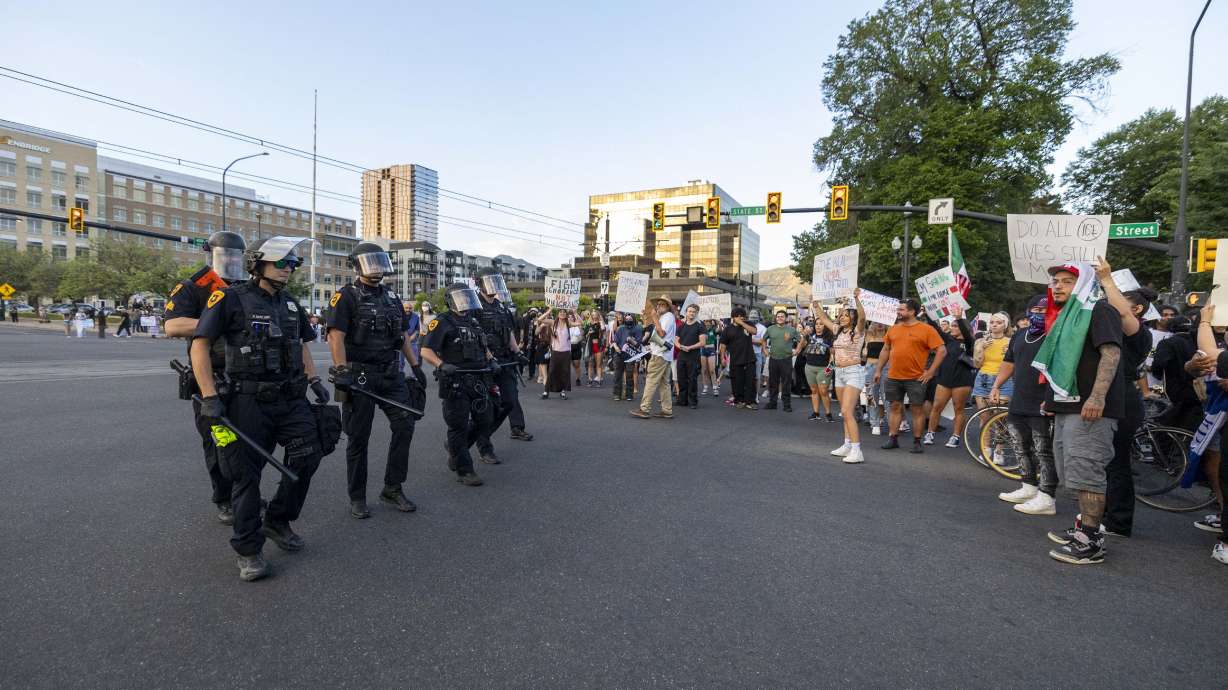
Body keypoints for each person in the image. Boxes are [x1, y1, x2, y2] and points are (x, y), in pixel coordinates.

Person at [191, 236, 328, 582]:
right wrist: (209, 396)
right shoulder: (230, 298)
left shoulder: (292, 305)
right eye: (281, 263)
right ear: (257, 263)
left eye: (292, 264)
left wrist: (314, 381)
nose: (288, 270)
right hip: (247, 401)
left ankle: (278, 520)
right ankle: (249, 549)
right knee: (245, 476)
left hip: (291, 398)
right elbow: (200, 345)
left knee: (309, 455)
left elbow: (300, 347)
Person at [326, 241, 424, 519]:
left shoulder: (392, 298)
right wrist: (341, 370)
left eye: (380, 262)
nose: (377, 268)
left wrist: (415, 367)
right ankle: (357, 496)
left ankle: (392, 488)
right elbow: (336, 336)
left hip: (391, 373)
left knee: (405, 425)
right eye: (371, 262)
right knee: (358, 437)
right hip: (359, 375)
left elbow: (403, 335)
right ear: (357, 266)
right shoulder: (346, 296)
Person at [163, 230, 249, 526]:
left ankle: (244, 495)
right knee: (218, 442)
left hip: (248, 378)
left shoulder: (248, 287)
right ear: (210, 255)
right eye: (225, 254)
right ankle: (224, 499)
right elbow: (173, 325)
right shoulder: (194, 287)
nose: (231, 260)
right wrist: (219, 322)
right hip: (211, 380)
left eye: (236, 255)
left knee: (249, 443)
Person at [1041, 263, 1124, 566]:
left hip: (1090, 408)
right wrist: (1051, 400)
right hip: (1067, 406)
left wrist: (1098, 396)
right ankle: (1084, 527)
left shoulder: (1099, 310)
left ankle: (1091, 542)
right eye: (1055, 282)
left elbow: (1111, 353)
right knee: (1070, 473)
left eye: (1066, 281)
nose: (1058, 286)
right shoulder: (1067, 316)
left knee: (1087, 474)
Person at [1093, 257, 1153, 539]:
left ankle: (1118, 521)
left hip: (1124, 400)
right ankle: (1102, 513)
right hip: (1114, 398)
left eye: (1116, 299)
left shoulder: (1138, 332)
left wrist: (1107, 279)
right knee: (1104, 460)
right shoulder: (1112, 329)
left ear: (1137, 309)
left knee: (1117, 462)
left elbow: (1125, 317)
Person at [419, 282, 496, 487]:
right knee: (458, 425)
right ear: (450, 300)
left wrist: (492, 360)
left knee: (485, 420)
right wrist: (441, 364)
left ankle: (454, 450)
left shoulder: (473, 322)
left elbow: (483, 346)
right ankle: (464, 469)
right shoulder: (441, 322)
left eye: (467, 297)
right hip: (455, 381)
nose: (465, 302)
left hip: (478, 379)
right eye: (460, 297)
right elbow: (425, 351)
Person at [993, 295, 1059, 516]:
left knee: (1044, 451)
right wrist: (996, 386)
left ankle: (1047, 496)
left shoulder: (1056, 334)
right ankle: (1028, 486)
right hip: (1019, 400)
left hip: (1043, 402)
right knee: (1020, 446)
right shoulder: (1020, 335)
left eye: (1044, 309)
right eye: (1035, 309)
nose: (1039, 313)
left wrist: (1051, 398)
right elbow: (1008, 363)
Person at [471, 265, 533, 454]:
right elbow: (476, 337)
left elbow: (509, 333)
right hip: (485, 364)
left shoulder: (501, 308)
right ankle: (484, 446)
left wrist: (518, 353)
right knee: (487, 407)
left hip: (505, 362)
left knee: (509, 401)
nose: (494, 286)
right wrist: (489, 358)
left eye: (497, 282)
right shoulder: (473, 306)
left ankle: (479, 434)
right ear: (480, 284)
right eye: (490, 282)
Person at [873, 299, 946, 453]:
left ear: (912, 311)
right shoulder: (893, 329)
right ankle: (893, 438)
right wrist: (878, 370)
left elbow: (942, 350)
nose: (898, 312)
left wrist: (931, 371)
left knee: (917, 409)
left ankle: (917, 441)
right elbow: (885, 349)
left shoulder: (926, 329)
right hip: (893, 376)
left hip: (916, 378)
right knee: (894, 407)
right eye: (898, 309)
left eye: (901, 309)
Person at [816, 291, 868, 463]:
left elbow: (862, 316)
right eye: (842, 315)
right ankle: (847, 445)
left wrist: (856, 299)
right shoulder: (838, 331)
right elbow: (824, 319)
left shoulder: (858, 330)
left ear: (852, 318)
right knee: (845, 413)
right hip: (839, 373)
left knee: (847, 411)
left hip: (854, 371)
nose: (843, 317)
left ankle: (857, 450)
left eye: (847, 315)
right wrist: (816, 305)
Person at [926, 311, 975, 448]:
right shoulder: (948, 339)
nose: (952, 327)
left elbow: (966, 334)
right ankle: (930, 432)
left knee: (958, 409)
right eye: (952, 325)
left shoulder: (970, 342)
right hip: (944, 379)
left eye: (955, 326)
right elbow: (935, 328)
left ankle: (955, 436)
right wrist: (927, 314)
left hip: (962, 381)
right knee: (936, 407)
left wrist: (959, 319)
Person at [630, 295, 677, 419]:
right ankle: (667, 410)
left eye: (662, 304)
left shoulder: (667, 317)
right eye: (658, 304)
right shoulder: (668, 317)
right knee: (664, 383)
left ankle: (644, 409)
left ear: (667, 307)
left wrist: (655, 318)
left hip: (660, 355)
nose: (658, 306)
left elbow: (661, 334)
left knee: (651, 380)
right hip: (664, 354)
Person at [763, 309, 802, 412]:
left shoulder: (791, 330)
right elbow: (763, 340)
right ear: (776, 318)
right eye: (778, 316)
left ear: (786, 318)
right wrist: (765, 350)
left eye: (782, 316)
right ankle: (773, 403)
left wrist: (797, 350)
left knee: (786, 383)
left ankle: (787, 405)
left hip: (786, 359)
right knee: (773, 382)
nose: (780, 318)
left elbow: (801, 340)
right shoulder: (770, 329)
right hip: (773, 359)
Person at [721, 307, 758, 409]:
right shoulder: (727, 329)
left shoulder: (748, 324)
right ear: (733, 317)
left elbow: (754, 331)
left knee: (751, 381)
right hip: (735, 359)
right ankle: (739, 400)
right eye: (737, 316)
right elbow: (723, 345)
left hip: (749, 358)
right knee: (737, 381)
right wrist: (722, 358)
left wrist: (742, 323)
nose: (740, 317)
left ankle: (750, 401)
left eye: (742, 316)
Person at [801, 314, 835, 421]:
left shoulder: (830, 338)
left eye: (821, 324)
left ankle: (828, 414)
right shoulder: (810, 336)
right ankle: (816, 413)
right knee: (814, 390)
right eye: (817, 324)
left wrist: (829, 369)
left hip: (823, 368)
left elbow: (833, 356)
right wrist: (804, 336)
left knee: (824, 391)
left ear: (826, 326)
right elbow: (802, 346)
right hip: (809, 367)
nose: (818, 326)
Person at [674, 304, 706, 408]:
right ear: (686, 313)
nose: (691, 313)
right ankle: (682, 400)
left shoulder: (700, 326)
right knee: (681, 378)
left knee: (692, 379)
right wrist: (680, 346)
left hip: (693, 356)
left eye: (693, 312)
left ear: (696, 313)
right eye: (690, 311)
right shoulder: (681, 326)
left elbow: (702, 342)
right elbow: (676, 340)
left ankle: (693, 402)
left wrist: (690, 347)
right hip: (681, 356)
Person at [540, 307, 573, 399]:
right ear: (558, 314)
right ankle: (546, 391)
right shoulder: (553, 322)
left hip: (566, 352)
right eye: (560, 312)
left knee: (564, 372)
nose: (562, 313)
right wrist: (549, 310)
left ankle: (562, 391)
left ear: (566, 314)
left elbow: (581, 323)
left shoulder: (568, 323)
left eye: (564, 312)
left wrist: (575, 313)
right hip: (555, 351)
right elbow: (540, 319)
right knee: (551, 371)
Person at [612, 313, 643, 401]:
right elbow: (615, 341)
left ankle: (629, 395)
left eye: (630, 318)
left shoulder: (638, 329)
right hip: (619, 354)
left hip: (630, 355)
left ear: (633, 319)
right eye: (627, 318)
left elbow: (638, 343)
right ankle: (617, 394)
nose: (628, 320)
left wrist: (630, 340)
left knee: (629, 375)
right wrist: (616, 347)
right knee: (617, 375)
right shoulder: (620, 328)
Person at [863, 322, 888, 435]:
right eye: (877, 322)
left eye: (882, 322)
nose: (880, 324)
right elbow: (861, 321)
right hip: (870, 367)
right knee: (871, 396)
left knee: (887, 396)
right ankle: (875, 423)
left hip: (886, 368)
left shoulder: (889, 335)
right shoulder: (868, 335)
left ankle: (892, 423)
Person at [701, 319, 720, 397]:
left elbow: (720, 329)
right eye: (706, 322)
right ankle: (705, 387)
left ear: (711, 323)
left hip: (711, 350)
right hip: (703, 350)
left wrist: (717, 320)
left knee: (712, 370)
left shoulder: (714, 330)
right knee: (704, 370)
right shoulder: (701, 330)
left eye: (709, 322)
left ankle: (715, 387)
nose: (707, 324)